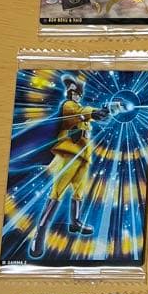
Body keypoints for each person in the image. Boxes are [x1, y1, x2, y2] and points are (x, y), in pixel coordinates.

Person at [29, 74, 109, 258]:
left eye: (79, 94)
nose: (77, 96)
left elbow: (90, 114)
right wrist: (93, 112)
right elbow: (78, 112)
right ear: (70, 93)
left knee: (79, 191)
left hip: (83, 157)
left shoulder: (81, 110)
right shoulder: (68, 106)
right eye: (75, 93)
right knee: (57, 192)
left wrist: (103, 111)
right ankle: (40, 233)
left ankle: (75, 222)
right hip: (69, 154)